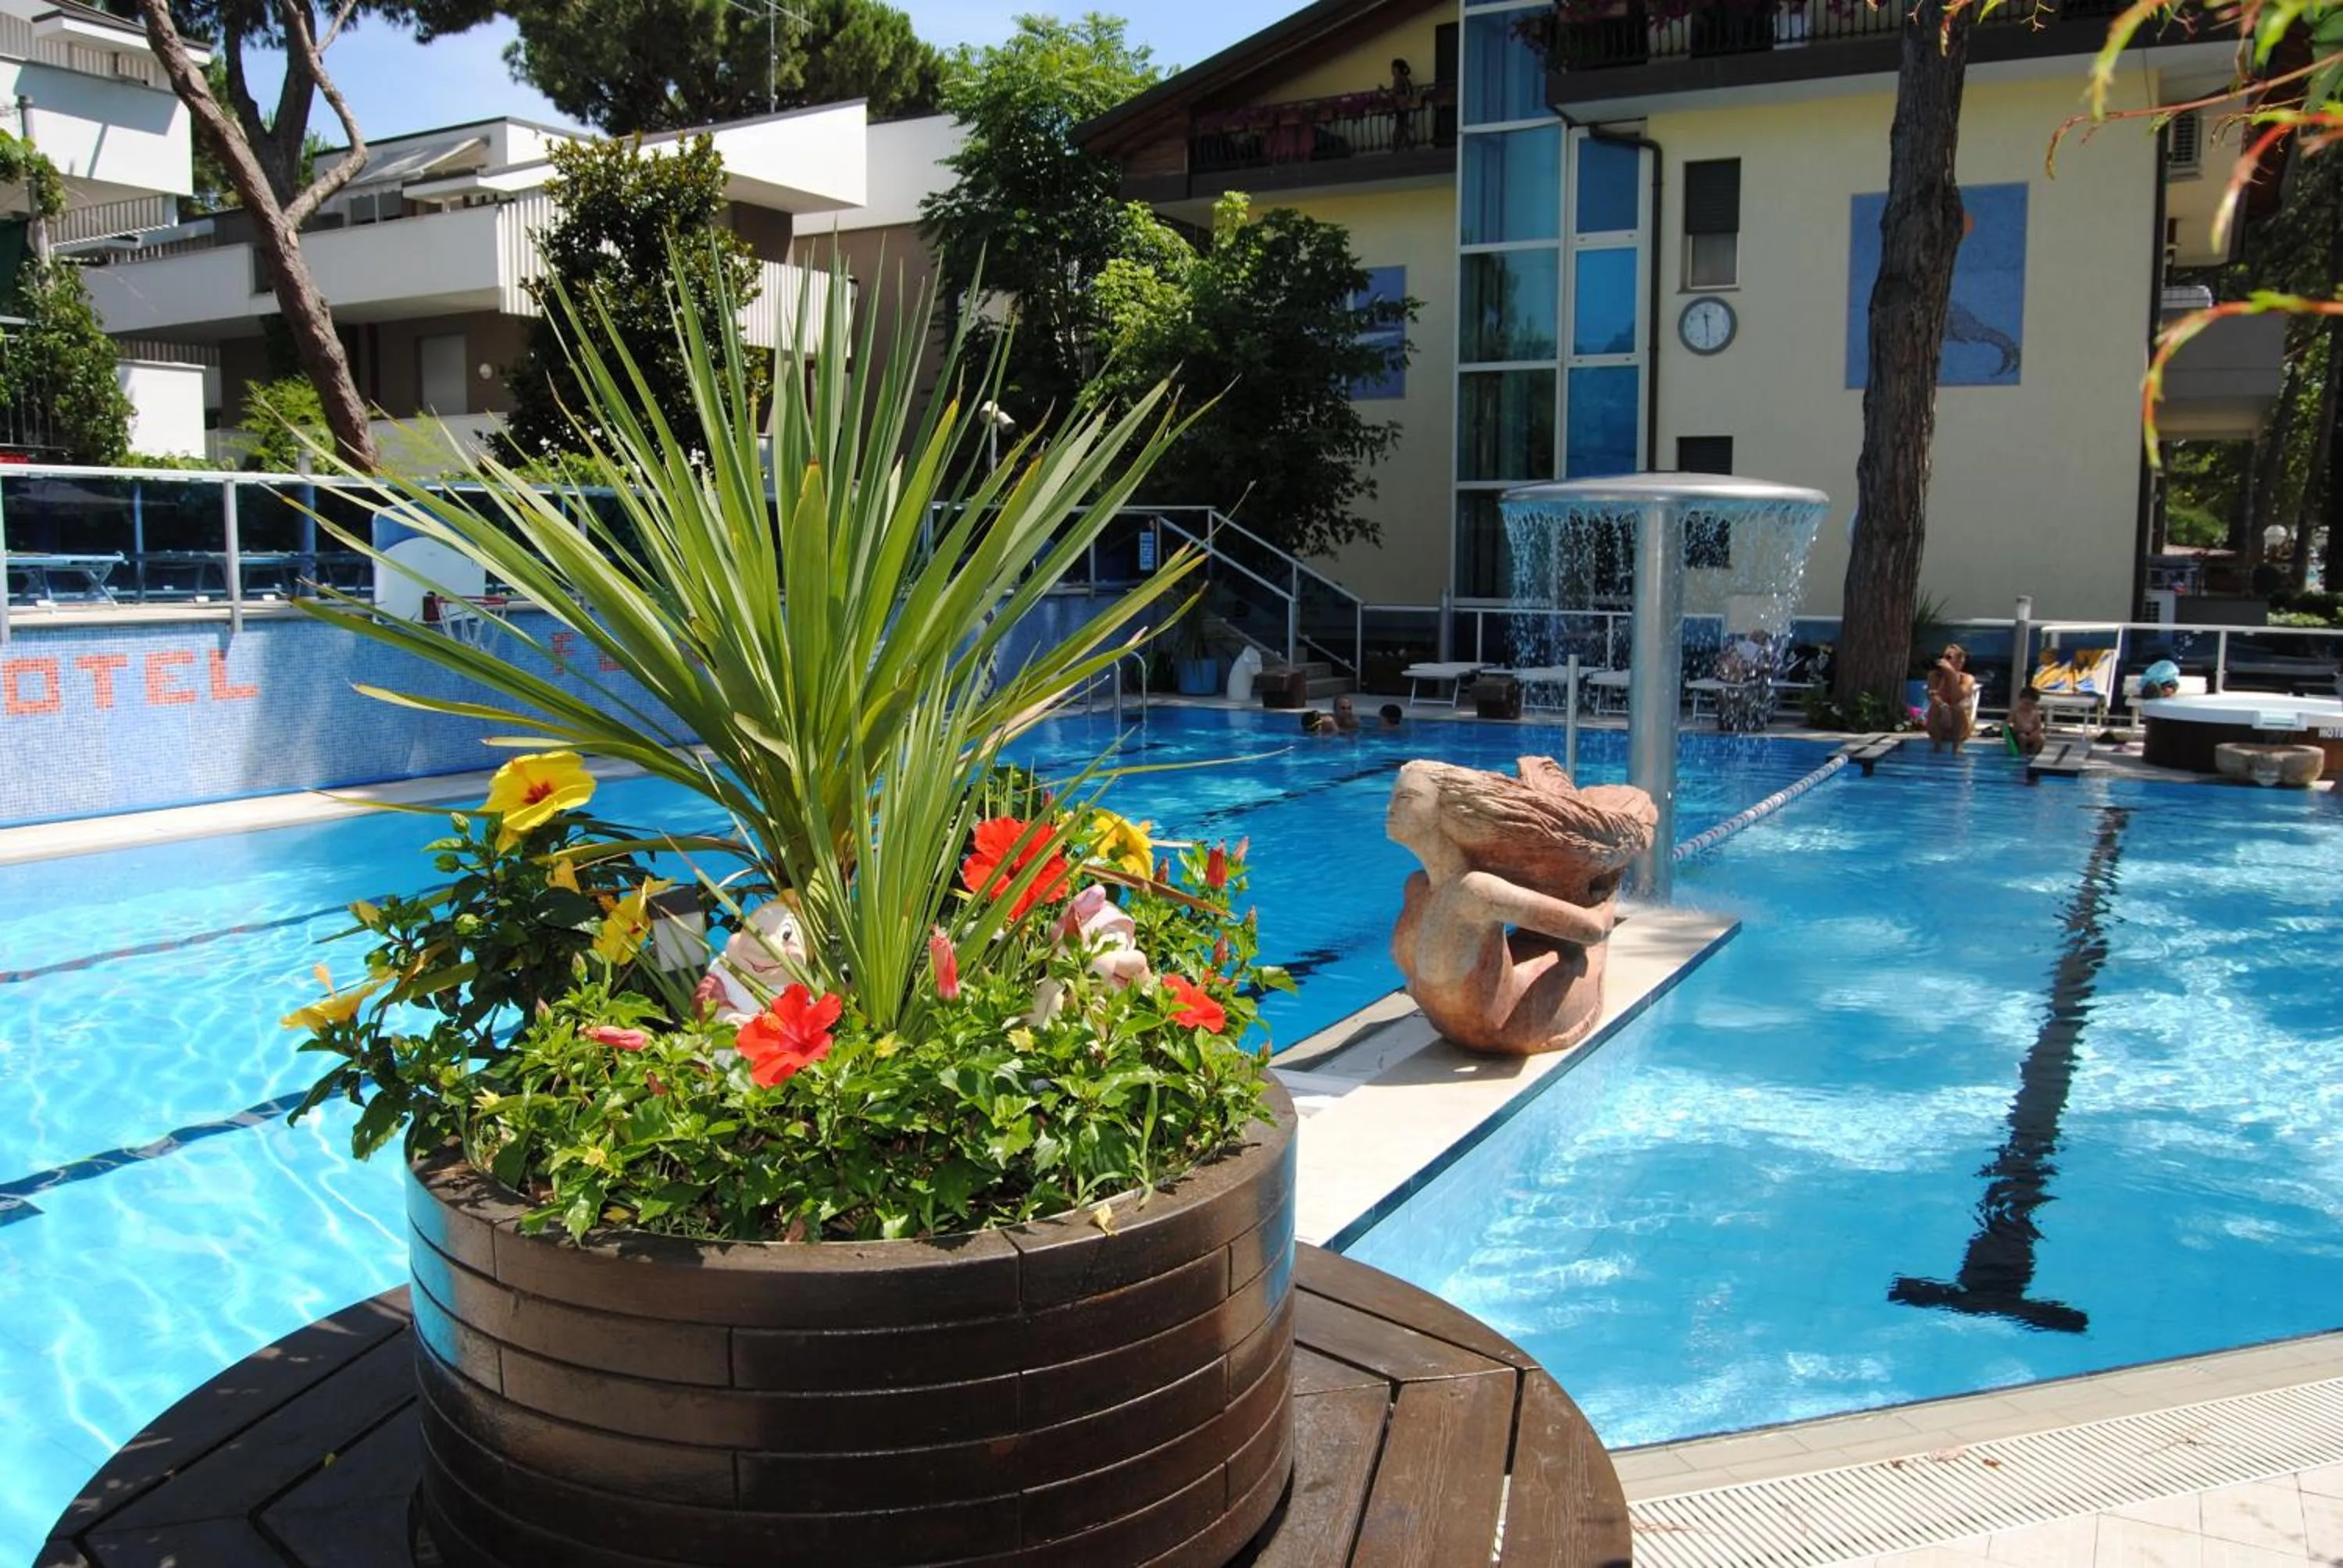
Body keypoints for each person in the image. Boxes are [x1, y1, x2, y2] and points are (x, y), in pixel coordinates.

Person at [1386, 758, 1657, 1054]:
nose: (1390, 808)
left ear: (1448, 810)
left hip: (1515, 1023)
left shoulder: (1476, 891)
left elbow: (1593, 930)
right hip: (1453, 1024)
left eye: (1406, 798)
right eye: (1393, 797)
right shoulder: (1418, 887)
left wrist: (1605, 895)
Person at [1925, 643, 1977, 754]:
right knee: (1937, 706)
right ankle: (1937, 746)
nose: (1945, 660)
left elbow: (1958, 697)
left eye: (1949, 657)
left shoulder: (1967, 678)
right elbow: (1932, 695)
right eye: (1945, 657)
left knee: (1958, 706)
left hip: (1960, 728)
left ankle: (1957, 745)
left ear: (1960, 662)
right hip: (1938, 723)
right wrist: (1943, 707)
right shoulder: (1934, 676)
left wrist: (1952, 675)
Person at [2006, 686, 2046, 758]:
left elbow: (2039, 727)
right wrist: (2006, 729)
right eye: (2026, 704)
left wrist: (2034, 734)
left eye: (2032, 704)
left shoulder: (2035, 713)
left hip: (2032, 734)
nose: (2029, 707)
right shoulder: (2016, 712)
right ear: (2020, 701)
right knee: (2022, 737)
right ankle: (2022, 753)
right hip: (2018, 734)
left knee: (2041, 738)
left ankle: (2033, 754)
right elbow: (2007, 722)